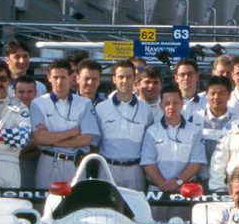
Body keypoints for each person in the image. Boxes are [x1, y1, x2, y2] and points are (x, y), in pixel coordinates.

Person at [29, 58, 99, 187]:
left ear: (71, 77)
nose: (59, 82)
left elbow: (86, 139)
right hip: (48, 161)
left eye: (63, 77)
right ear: (49, 78)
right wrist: (71, 132)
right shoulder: (38, 103)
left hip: (74, 164)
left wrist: (50, 140)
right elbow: (38, 138)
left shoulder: (84, 103)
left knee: (76, 204)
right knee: (45, 203)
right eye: (55, 77)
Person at [93, 61, 152, 190]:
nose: (125, 81)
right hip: (108, 169)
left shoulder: (145, 110)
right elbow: (95, 143)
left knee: (135, 209)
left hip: (135, 170)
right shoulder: (101, 108)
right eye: (121, 77)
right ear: (114, 79)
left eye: (129, 77)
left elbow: (148, 145)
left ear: (135, 79)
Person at [144, 90, 206, 192]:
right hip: (157, 189)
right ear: (161, 105)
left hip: (185, 189)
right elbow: (148, 162)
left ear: (182, 104)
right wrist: (163, 185)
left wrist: (178, 181)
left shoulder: (195, 131)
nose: (171, 107)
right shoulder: (151, 132)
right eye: (167, 103)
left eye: (175, 103)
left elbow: (196, 161)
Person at [13, 75, 42, 187]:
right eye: (21, 92)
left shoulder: (42, 112)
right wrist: (38, 140)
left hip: (39, 164)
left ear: (35, 93)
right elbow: (15, 148)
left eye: (30, 92)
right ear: (14, 92)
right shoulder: (6, 113)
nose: (25, 95)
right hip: (15, 165)